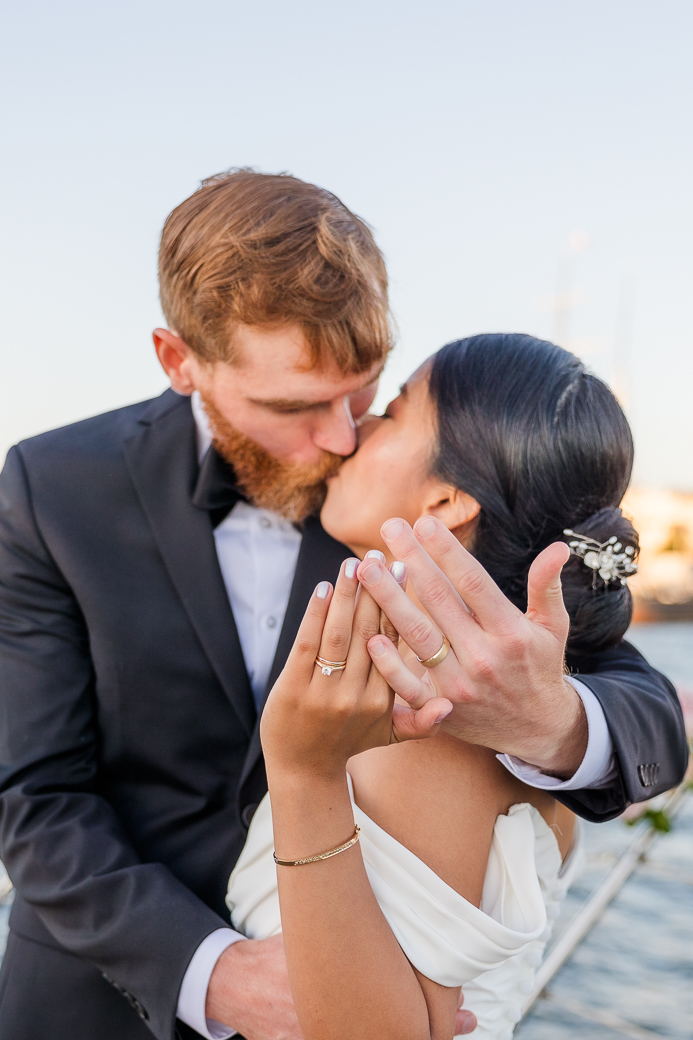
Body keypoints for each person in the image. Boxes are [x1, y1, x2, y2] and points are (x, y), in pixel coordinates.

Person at [0, 170, 686, 1040]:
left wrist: (551, 723)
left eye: (364, 390)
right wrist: (209, 973)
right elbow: (35, 793)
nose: (339, 437)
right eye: (293, 406)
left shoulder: (422, 480)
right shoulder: (53, 485)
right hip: (94, 1006)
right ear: (180, 361)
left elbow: (637, 702)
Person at [224, 333, 688, 1040]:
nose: (358, 426)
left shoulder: (434, 718)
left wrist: (301, 770)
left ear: (444, 500)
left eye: (395, 410)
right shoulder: (458, 686)